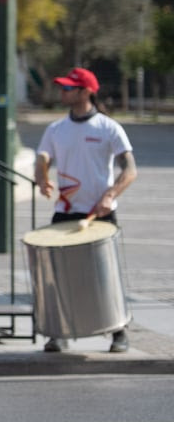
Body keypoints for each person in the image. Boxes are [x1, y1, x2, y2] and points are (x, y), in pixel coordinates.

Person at [34, 66, 137, 353]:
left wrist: (110, 195)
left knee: (106, 274)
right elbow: (42, 157)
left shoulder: (108, 127)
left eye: (69, 88)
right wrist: (42, 178)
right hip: (66, 210)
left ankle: (118, 331)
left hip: (99, 211)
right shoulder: (56, 129)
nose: (63, 92)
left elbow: (129, 170)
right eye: (63, 88)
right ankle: (58, 332)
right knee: (59, 274)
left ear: (86, 91)